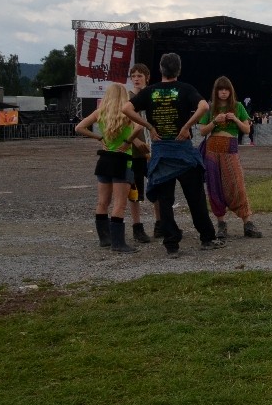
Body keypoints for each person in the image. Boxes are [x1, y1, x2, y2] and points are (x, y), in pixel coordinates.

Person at [123, 52, 223, 257]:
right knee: (195, 199)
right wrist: (187, 126)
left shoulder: (150, 92)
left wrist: (149, 126)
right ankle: (207, 238)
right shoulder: (185, 89)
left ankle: (171, 245)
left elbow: (126, 108)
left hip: (161, 154)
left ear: (160, 70)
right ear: (178, 70)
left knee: (165, 201)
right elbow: (204, 105)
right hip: (183, 152)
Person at [75, 82, 149, 253]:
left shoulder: (100, 112)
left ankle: (104, 238)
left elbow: (79, 127)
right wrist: (128, 141)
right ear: (124, 96)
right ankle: (118, 242)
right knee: (120, 203)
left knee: (103, 201)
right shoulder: (127, 113)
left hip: (104, 160)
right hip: (123, 160)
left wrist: (99, 138)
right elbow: (140, 125)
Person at [198, 76, 262, 239]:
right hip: (212, 149)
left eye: (226, 89)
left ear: (230, 91)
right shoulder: (211, 107)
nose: (224, 92)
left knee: (237, 184)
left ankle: (247, 222)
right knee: (214, 186)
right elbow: (202, 131)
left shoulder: (238, 106)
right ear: (216, 91)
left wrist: (235, 119)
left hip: (230, 148)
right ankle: (221, 224)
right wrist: (214, 122)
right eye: (221, 89)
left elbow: (247, 130)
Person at [127, 63, 158, 243]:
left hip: (154, 150)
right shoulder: (127, 99)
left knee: (158, 187)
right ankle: (137, 227)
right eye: (134, 76)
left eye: (140, 76)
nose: (137, 79)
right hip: (134, 152)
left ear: (147, 77)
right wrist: (135, 140)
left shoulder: (152, 97)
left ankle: (160, 223)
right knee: (134, 191)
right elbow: (124, 122)